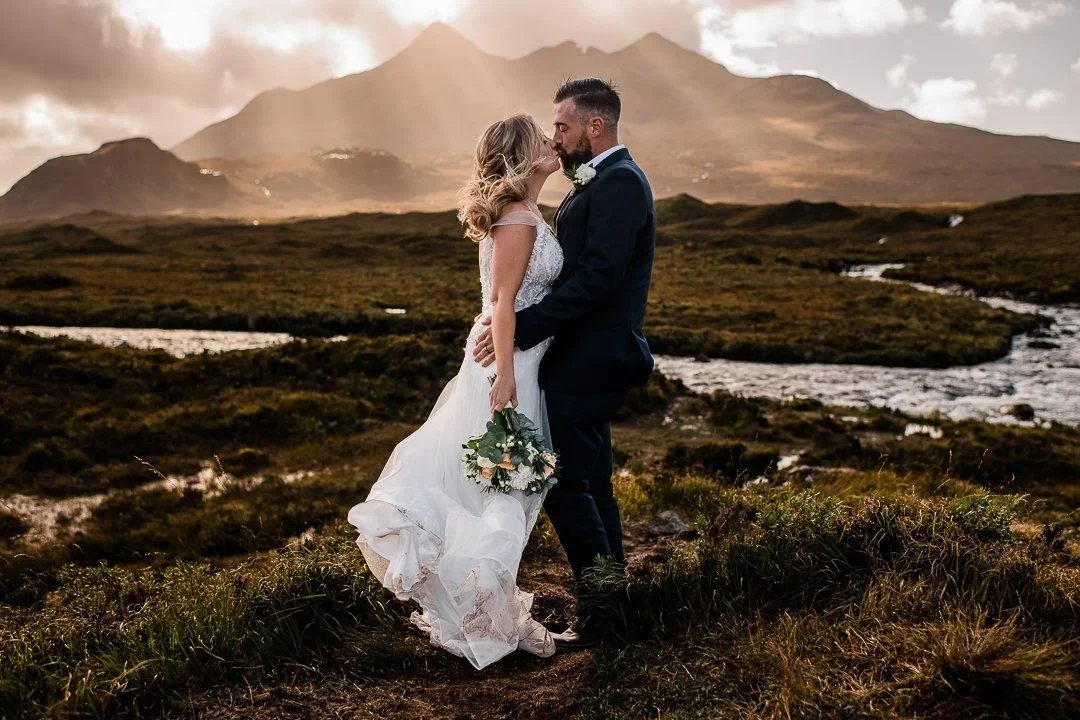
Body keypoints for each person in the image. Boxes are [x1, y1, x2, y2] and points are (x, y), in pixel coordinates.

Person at [347, 112, 564, 669]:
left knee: (497, 485)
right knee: (502, 486)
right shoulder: (518, 217)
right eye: (542, 138)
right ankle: (486, 617)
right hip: (510, 361)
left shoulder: (523, 212)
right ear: (522, 155)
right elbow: (503, 302)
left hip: (515, 354)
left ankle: (485, 608)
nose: (553, 142)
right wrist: (507, 376)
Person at [473, 78, 656, 650]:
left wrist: (521, 330)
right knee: (591, 485)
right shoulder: (596, 181)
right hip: (576, 356)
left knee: (566, 487)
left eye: (562, 125)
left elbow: (597, 280)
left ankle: (603, 614)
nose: (555, 137)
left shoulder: (619, 183)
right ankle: (613, 604)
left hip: (591, 359)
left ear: (594, 126)